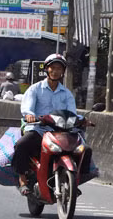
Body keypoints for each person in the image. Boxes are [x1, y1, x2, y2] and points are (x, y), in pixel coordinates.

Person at [12, 53, 77, 195]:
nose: (55, 71)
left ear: (63, 72)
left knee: (82, 148)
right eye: (53, 68)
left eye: (59, 69)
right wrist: (29, 115)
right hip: (39, 130)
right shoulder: (35, 89)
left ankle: (75, 181)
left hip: (60, 132)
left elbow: (72, 113)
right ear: (47, 69)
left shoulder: (67, 94)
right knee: (21, 145)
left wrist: (82, 119)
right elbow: (27, 107)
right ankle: (22, 180)